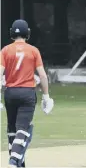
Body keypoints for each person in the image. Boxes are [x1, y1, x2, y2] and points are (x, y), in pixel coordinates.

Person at [0, 19, 54, 168]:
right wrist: (46, 96)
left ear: (12, 33)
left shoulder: (5, 50)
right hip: (27, 94)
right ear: (27, 33)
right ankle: (13, 162)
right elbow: (42, 75)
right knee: (23, 130)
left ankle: (19, 163)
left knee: (12, 130)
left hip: (10, 93)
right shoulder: (33, 50)